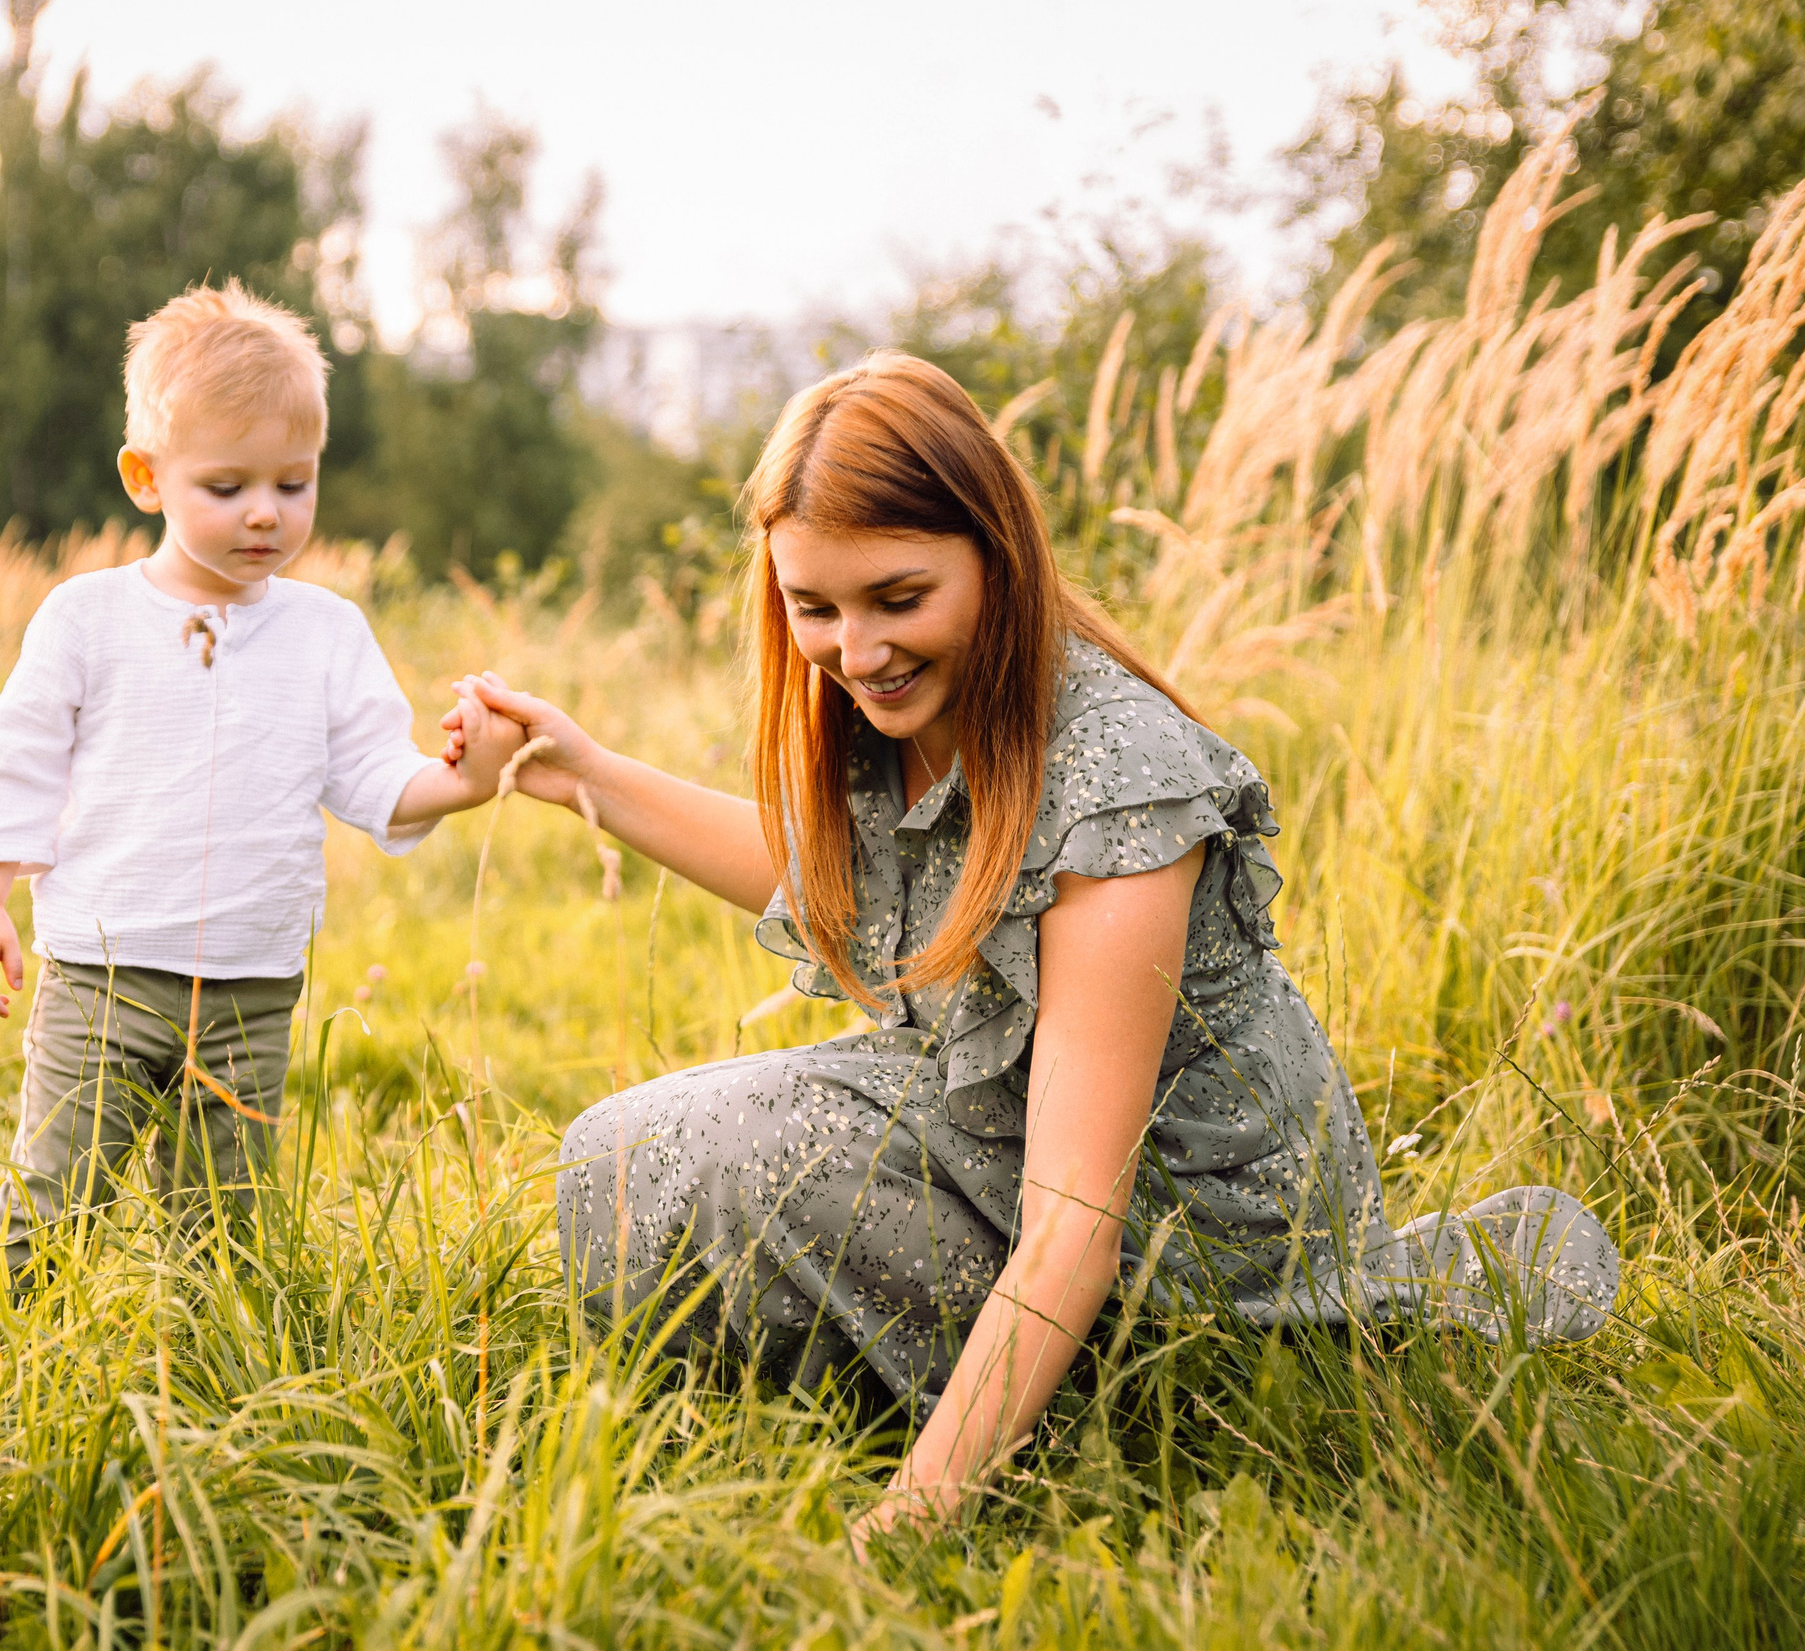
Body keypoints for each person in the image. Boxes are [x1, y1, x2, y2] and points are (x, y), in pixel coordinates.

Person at [456, 351, 1617, 1551]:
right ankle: (936, 1398)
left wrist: (909, 1522)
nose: (855, 651)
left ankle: (1099, 1427)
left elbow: (1075, 1219)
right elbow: (843, 882)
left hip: (1199, 1260)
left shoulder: (1118, 783)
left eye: (898, 598)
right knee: (622, 1157)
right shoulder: (903, 703)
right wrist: (578, 770)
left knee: (714, 1159)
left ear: (995, 558)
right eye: (816, 606)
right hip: (999, 1139)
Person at [0, 282, 524, 1292]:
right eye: (226, 486)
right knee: (56, 1192)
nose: (265, 511)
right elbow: (19, 759)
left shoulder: (326, 633)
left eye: (292, 483)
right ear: (146, 477)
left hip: (252, 987)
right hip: (102, 974)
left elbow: (373, 776)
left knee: (226, 1224)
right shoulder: (87, 618)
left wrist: (462, 779)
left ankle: (216, 1373)